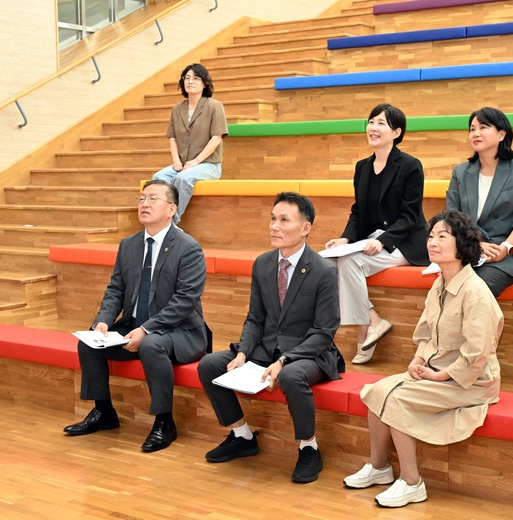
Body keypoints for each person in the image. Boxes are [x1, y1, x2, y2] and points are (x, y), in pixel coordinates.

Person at [343, 209, 503, 507]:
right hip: (438, 370)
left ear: (462, 245)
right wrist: (419, 360)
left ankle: (412, 482)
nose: (432, 242)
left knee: (398, 399)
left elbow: (477, 353)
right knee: (376, 391)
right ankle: (379, 467)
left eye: (443, 236)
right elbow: (426, 333)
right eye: (431, 236)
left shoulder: (475, 292)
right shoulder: (439, 284)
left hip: (473, 382)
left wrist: (439, 375)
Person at [198, 192, 344, 483]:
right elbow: (255, 317)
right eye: (273, 219)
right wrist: (242, 352)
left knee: (290, 376)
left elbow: (324, 331)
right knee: (210, 365)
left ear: (305, 228)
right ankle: (242, 436)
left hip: (310, 353)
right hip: (265, 349)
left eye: (284, 220)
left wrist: (284, 360)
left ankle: (309, 448)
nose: (275, 226)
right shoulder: (263, 264)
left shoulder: (324, 271)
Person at [63, 179, 211, 453]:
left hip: (180, 333)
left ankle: (164, 421)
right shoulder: (129, 244)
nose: (145, 203)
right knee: (89, 342)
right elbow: (116, 289)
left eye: (153, 199)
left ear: (171, 209)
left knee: (151, 344)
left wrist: (146, 330)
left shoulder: (188, 247)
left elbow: (185, 300)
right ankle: (104, 411)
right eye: (142, 198)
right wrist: (103, 321)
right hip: (133, 326)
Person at [325, 103, 429, 364]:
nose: (373, 127)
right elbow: (358, 211)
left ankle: (363, 335)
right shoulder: (362, 167)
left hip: (404, 242)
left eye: (381, 123)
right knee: (325, 262)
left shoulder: (410, 166)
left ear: (396, 132)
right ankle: (373, 321)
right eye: (371, 122)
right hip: (372, 239)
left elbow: (410, 215)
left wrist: (383, 241)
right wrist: (346, 239)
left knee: (350, 262)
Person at [446, 107, 513, 297]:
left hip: (504, 255)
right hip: (468, 251)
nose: (475, 133)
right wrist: (475, 245)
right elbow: (452, 216)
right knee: (446, 288)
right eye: (472, 129)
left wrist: (505, 248)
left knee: (476, 288)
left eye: (483, 127)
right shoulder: (460, 172)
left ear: (501, 134)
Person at [152, 63, 227, 225]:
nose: (190, 81)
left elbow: (216, 138)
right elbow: (172, 137)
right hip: (183, 164)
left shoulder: (215, 106)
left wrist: (196, 161)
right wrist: (176, 161)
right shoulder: (177, 109)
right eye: (187, 78)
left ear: (204, 83)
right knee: (158, 178)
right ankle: (157, 217)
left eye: (196, 78)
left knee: (182, 179)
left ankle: (170, 223)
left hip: (209, 165)